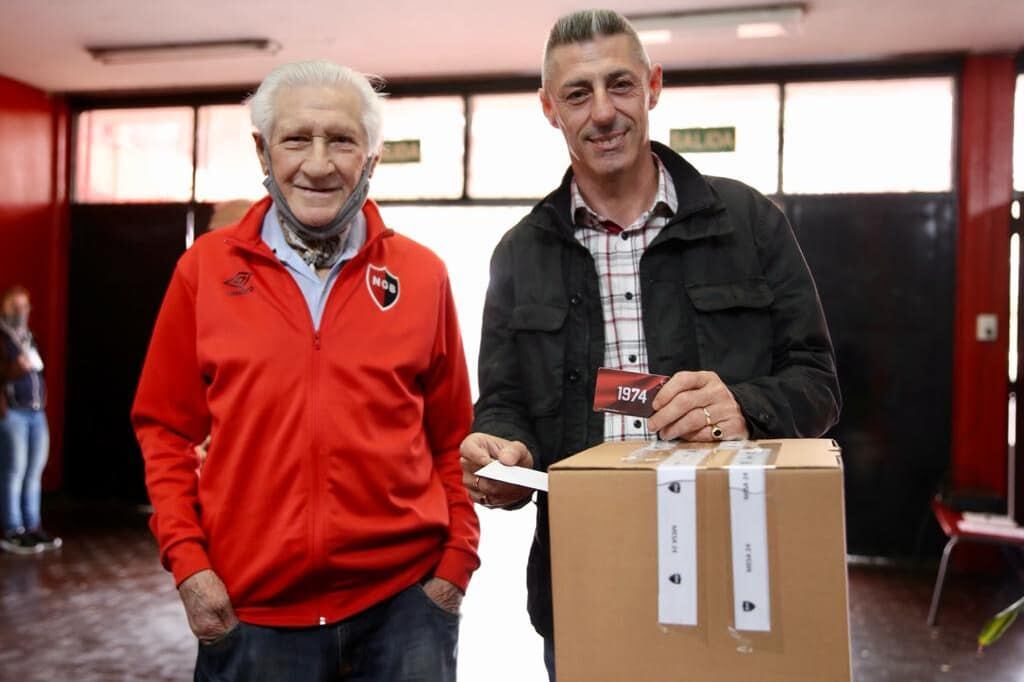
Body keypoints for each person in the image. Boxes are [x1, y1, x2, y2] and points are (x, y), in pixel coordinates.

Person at [459, 9, 841, 680]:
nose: (603, 112)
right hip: (583, 581)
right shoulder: (519, 254)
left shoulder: (748, 223)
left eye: (621, 86)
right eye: (578, 93)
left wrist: (744, 407)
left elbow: (818, 384)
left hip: (734, 572)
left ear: (654, 86)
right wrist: (502, 450)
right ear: (550, 108)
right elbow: (506, 402)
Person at [132, 60, 479, 681]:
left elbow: (452, 436)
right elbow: (164, 431)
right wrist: (188, 564)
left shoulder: (422, 275)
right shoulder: (204, 271)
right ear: (263, 150)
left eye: (342, 140)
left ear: (371, 157)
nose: (318, 164)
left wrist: (456, 565)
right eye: (297, 139)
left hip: (404, 609)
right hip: (252, 613)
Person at [0, 286, 61, 554]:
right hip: (13, 412)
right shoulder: (2, 338)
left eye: (25, 306)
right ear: (4, 307)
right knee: (14, 471)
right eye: (15, 305)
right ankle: (13, 529)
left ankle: (32, 526)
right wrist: (16, 368)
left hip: (36, 412)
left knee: (34, 471)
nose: (21, 311)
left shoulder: (29, 337)